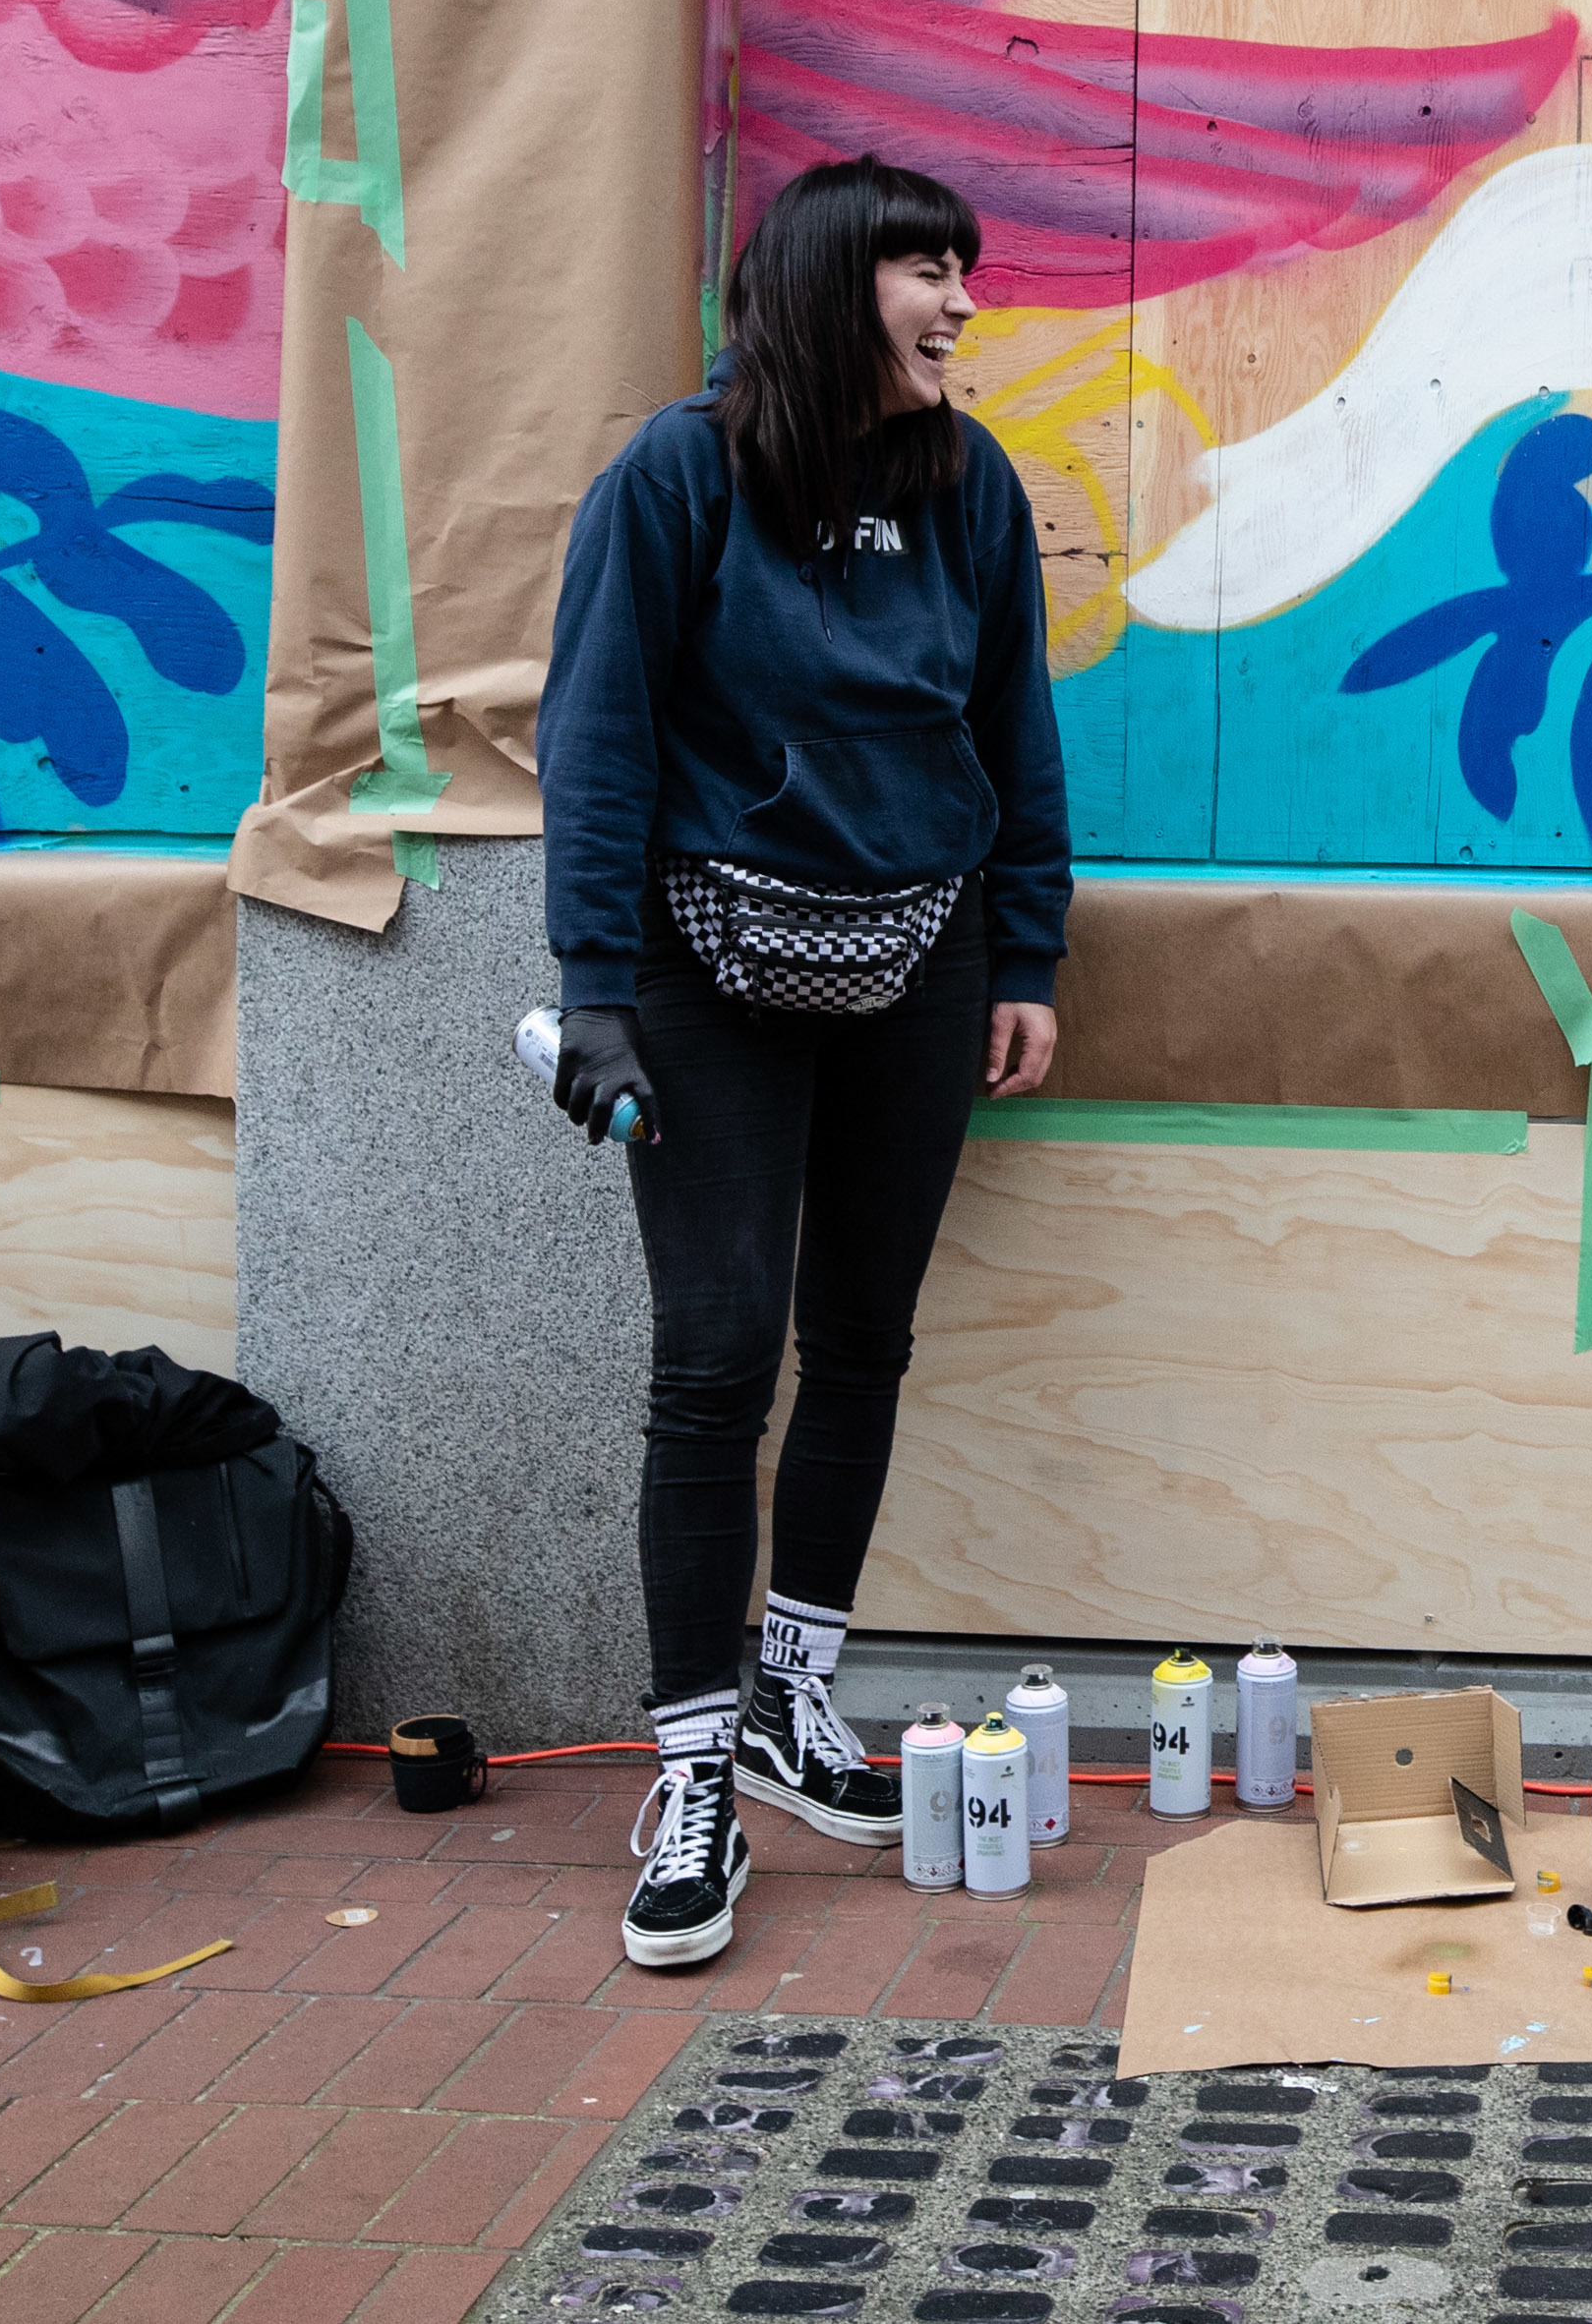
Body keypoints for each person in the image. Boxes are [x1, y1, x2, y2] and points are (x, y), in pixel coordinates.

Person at [535, 157, 1072, 1973]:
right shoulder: (679, 476)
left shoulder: (966, 484)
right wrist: (592, 982)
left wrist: (1027, 951)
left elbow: (1015, 726)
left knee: (863, 1343)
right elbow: (598, 729)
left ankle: (794, 1701)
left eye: (965, 269)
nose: (963, 304)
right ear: (838, 282)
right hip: (706, 973)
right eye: (931, 269)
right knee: (713, 1368)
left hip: (918, 957)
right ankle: (690, 1774)